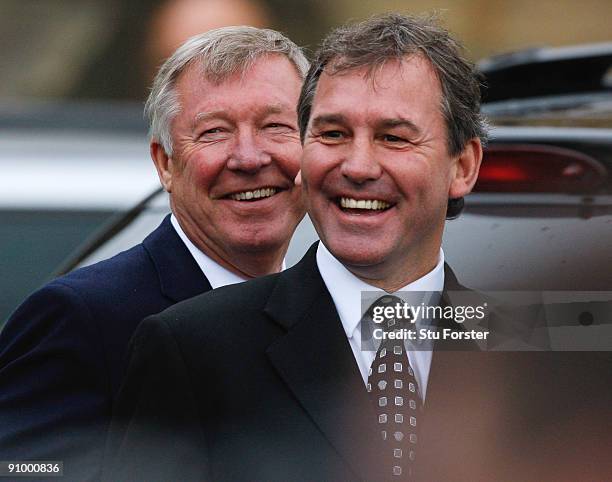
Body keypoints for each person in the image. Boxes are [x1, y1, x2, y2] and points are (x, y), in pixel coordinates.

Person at [104, 14, 612, 482]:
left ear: (463, 167)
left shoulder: (546, 344)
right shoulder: (192, 349)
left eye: (393, 137)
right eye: (333, 133)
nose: (358, 166)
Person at [0, 26, 308, 481]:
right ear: (165, 163)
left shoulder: (326, 310)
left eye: (276, 126)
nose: (248, 157)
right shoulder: (82, 316)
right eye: (214, 132)